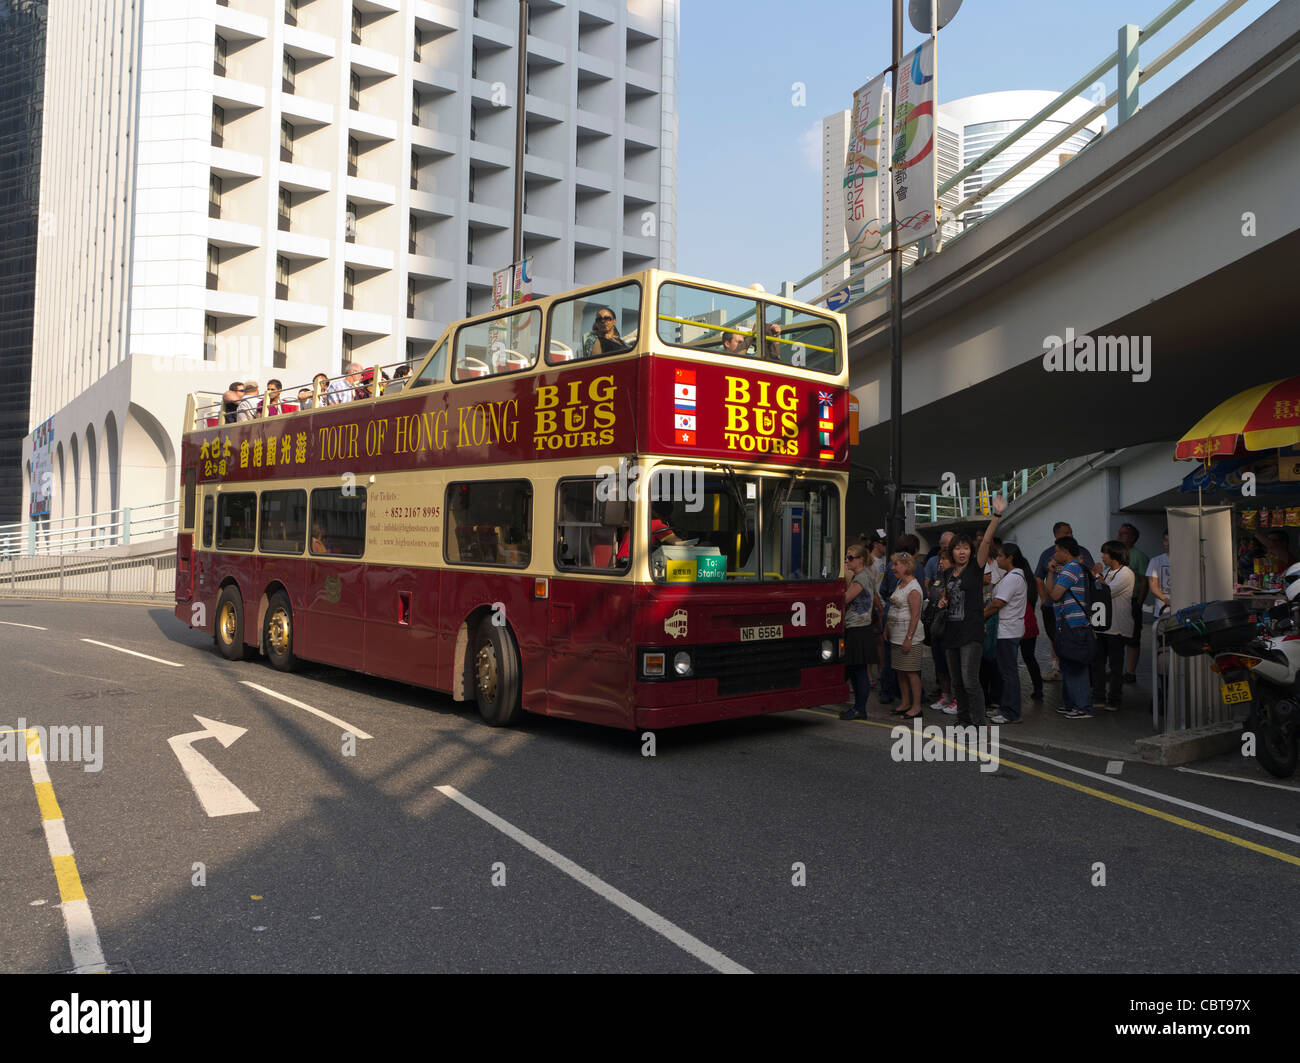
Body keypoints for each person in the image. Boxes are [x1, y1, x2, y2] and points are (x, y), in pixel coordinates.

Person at [938, 496, 1002, 726]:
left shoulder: (976, 568)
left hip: (971, 632)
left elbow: (985, 542)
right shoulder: (947, 574)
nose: (962, 552)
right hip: (951, 632)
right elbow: (949, 595)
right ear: (951, 552)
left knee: (969, 680)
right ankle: (963, 719)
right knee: (956, 682)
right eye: (958, 548)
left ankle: (978, 722)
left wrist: (996, 516)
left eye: (965, 548)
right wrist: (943, 602)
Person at [1035, 521, 1095, 681]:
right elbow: (1040, 579)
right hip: (1059, 613)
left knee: (1074, 662)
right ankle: (1058, 669)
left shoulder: (1074, 565)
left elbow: (1055, 594)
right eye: (1066, 533)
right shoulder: (1048, 555)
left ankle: (1080, 702)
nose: (1071, 535)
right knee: (1059, 643)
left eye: (1071, 532)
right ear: (1057, 535)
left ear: (1065, 552)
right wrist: (1043, 598)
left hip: (1074, 620)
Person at [1044, 535, 1096, 719]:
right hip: (1068, 625)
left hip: (1074, 625)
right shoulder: (1067, 569)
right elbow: (1052, 593)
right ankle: (1071, 704)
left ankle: (1082, 707)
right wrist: (1051, 572)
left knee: (1076, 667)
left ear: (1065, 552)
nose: (1055, 554)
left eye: (1057, 550)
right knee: (1067, 665)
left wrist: (1052, 576)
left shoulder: (1071, 569)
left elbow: (1054, 595)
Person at [985, 541, 1028, 724]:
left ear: (1010, 558)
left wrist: (980, 616)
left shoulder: (1013, 578)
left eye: (1001, 556)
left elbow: (997, 603)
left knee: (1009, 673)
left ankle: (1011, 712)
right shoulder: (1011, 576)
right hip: (1007, 630)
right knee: (1005, 672)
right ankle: (1004, 707)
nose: (998, 559)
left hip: (1008, 631)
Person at [1092, 540, 1135, 710]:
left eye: (1105, 553)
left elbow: (1106, 592)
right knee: (1098, 663)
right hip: (1103, 625)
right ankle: (1098, 696)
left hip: (1117, 627)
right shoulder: (1109, 572)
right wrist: (1098, 576)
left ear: (1114, 555)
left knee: (1116, 666)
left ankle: (1115, 698)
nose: (1102, 556)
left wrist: (1096, 575)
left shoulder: (1126, 574)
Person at [841, 545, 880, 720]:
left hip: (858, 627)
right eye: (846, 557)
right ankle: (858, 707)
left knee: (858, 670)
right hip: (860, 626)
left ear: (860, 560)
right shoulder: (864, 576)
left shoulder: (861, 578)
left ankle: (860, 708)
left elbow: (846, 598)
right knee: (856, 669)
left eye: (850, 558)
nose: (847, 561)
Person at [885, 552, 924, 719]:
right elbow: (894, 608)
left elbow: (915, 616)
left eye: (896, 565)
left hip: (909, 638)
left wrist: (908, 638)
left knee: (911, 672)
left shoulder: (914, 588)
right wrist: (887, 628)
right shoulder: (900, 583)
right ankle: (905, 703)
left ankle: (916, 707)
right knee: (900, 671)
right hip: (896, 635)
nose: (893, 568)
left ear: (907, 566)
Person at [1117, 523, 1149, 685]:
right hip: (1116, 602)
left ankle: (1130, 672)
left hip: (1132, 601)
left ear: (1132, 538)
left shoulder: (1139, 556)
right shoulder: (1115, 554)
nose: (1119, 536)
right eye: (1119, 533)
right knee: (1115, 636)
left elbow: (1145, 582)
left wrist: (1138, 603)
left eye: (1123, 534)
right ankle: (1114, 669)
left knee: (1132, 638)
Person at [928, 550, 957, 712]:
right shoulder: (940, 578)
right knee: (940, 665)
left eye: (944, 559)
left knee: (952, 665)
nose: (940, 562)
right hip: (937, 626)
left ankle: (958, 699)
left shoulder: (956, 579)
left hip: (950, 628)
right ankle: (945, 695)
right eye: (940, 559)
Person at [1147, 529, 1172, 617]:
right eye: (1165, 540)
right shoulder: (1156, 561)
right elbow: (1153, 586)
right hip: (1162, 610)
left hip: (1182, 610)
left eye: (1170, 540)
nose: (1167, 544)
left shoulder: (1185, 561)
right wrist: (1165, 599)